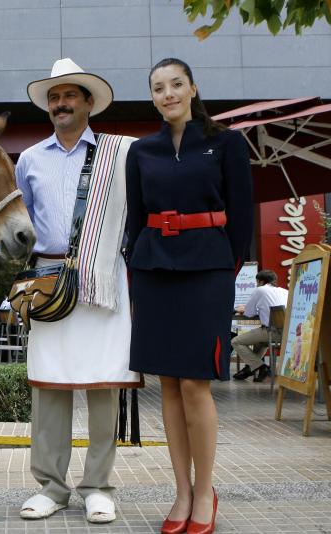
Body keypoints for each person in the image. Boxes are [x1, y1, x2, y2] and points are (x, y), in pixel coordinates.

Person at [126, 58, 253, 534]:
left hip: (208, 271)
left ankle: (205, 492)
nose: (169, 94)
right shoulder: (141, 151)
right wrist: (135, 271)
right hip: (154, 271)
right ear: (153, 97)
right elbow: (135, 218)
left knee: (196, 384)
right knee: (169, 385)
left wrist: (225, 270)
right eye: (159, 88)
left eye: (176, 84)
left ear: (193, 89)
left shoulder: (227, 143)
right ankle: (180, 491)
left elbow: (241, 218)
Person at [15, 58, 142, 523]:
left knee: (103, 384)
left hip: (105, 279)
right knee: (49, 387)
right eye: (54, 97)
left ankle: (98, 486)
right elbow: (21, 227)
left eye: (69, 95)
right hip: (49, 283)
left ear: (89, 103)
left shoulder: (122, 153)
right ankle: (51, 487)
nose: (60, 103)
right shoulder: (29, 160)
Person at [232, 269, 289, 382]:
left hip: (272, 332)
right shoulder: (285, 291)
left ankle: (261, 367)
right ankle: (249, 369)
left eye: (257, 282)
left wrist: (242, 309)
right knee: (261, 343)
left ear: (261, 281)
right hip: (287, 334)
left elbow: (249, 313)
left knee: (235, 341)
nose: (256, 284)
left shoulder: (260, 290)